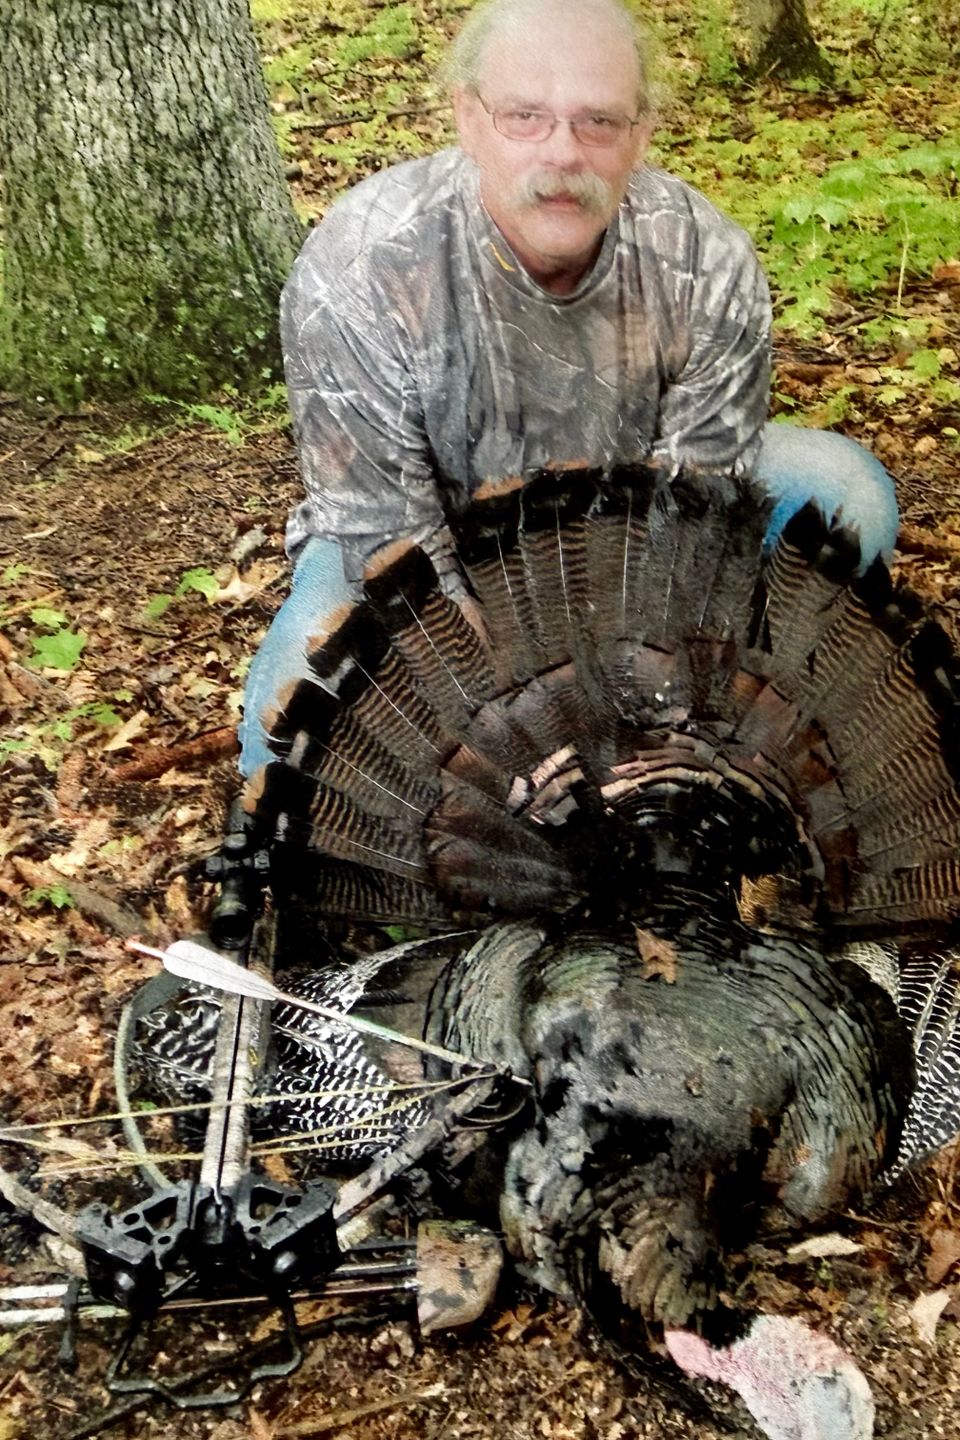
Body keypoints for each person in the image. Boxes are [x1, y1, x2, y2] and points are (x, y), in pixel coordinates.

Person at [239, 0, 898, 778]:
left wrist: (641, 686)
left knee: (847, 492)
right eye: (524, 116)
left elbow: (692, 513)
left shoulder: (705, 258)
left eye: (599, 122)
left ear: (643, 131)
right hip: (432, 542)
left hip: (627, 522)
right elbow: (387, 539)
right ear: (467, 117)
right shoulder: (359, 265)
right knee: (283, 733)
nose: (563, 153)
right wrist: (530, 718)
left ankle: (767, 727)